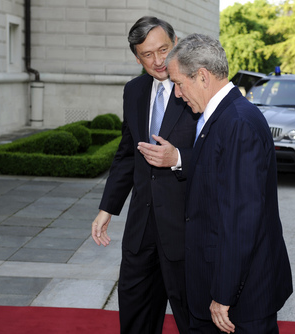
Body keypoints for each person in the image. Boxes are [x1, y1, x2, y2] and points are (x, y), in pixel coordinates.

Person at [140, 34, 293, 334]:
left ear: (202, 76)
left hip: (240, 298)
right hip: (220, 285)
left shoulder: (236, 123)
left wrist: (223, 294)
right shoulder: (221, 117)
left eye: (179, 84)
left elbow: (241, 218)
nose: (178, 94)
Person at [91, 16, 197, 334]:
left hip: (185, 229)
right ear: (137, 58)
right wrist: (107, 208)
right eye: (147, 54)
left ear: (176, 44)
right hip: (141, 229)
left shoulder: (197, 88)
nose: (158, 60)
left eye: (163, 49)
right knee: (136, 318)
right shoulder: (134, 91)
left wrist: (177, 158)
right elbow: (126, 155)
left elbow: (218, 156)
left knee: (192, 320)